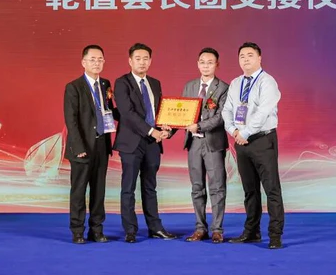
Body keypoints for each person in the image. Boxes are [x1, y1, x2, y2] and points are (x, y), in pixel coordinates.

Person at [221, 42, 285, 249]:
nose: (245, 59)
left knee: (271, 189)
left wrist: (245, 132)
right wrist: (233, 130)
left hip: (262, 140)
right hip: (241, 141)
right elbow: (227, 110)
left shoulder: (268, 82)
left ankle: (275, 236)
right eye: (242, 56)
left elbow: (263, 112)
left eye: (250, 55)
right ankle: (251, 232)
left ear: (259, 58)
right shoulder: (236, 83)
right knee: (250, 191)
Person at [113, 43, 176, 243]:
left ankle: (155, 228)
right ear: (130, 61)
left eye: (145, 58)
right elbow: (127, 113)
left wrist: (167, 129)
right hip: (131, 143)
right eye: (138, 58)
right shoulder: (122, 83)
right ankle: (130, 230)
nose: (142, 62)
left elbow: (160, 112)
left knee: (150, 187)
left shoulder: (155, 83)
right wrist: (151, 130)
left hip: (152, 144)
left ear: (150, 61)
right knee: (128, 188)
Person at [172, 48, 229, 243]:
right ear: (197, 64)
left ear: (217, 65)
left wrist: (199, 126)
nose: (206, 66)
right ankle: (200, 228)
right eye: (202, 62)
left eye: (210, 62)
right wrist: (169, 129)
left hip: (213, 143)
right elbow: (180, 114)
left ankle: (217, 229)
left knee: (217, 187)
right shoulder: (189, 86)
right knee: (197, 187)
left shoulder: (224, 88)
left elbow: (221, 117)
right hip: (193, 143)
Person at [63, 44, 117, 244]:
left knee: (99, 191)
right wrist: (78, 148)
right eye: (92, 59)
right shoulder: (74, 87)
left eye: (100, 59)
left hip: (102, 145)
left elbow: (110, 111)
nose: (96, 63)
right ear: (83, 62)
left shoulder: (105, 84)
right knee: (79, 191)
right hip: (82, 148)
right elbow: (71, 120)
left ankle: (97, 230)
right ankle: (77, 231)